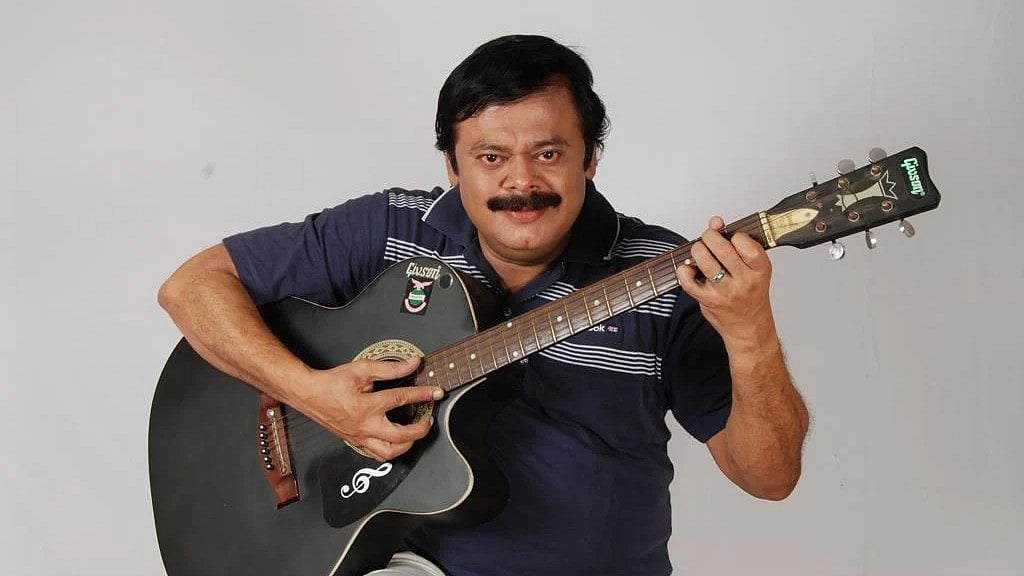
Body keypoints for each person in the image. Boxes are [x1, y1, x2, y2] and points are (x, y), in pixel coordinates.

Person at [158, 34, 809, 576]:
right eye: (491, 157)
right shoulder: (389, 230)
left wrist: (751, 333)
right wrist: (311, 393)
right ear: (452, 165)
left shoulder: (668, 275)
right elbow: (192, 286)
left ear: (590, 158)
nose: (520, 182)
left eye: (548, 153)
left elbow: (769, 478)